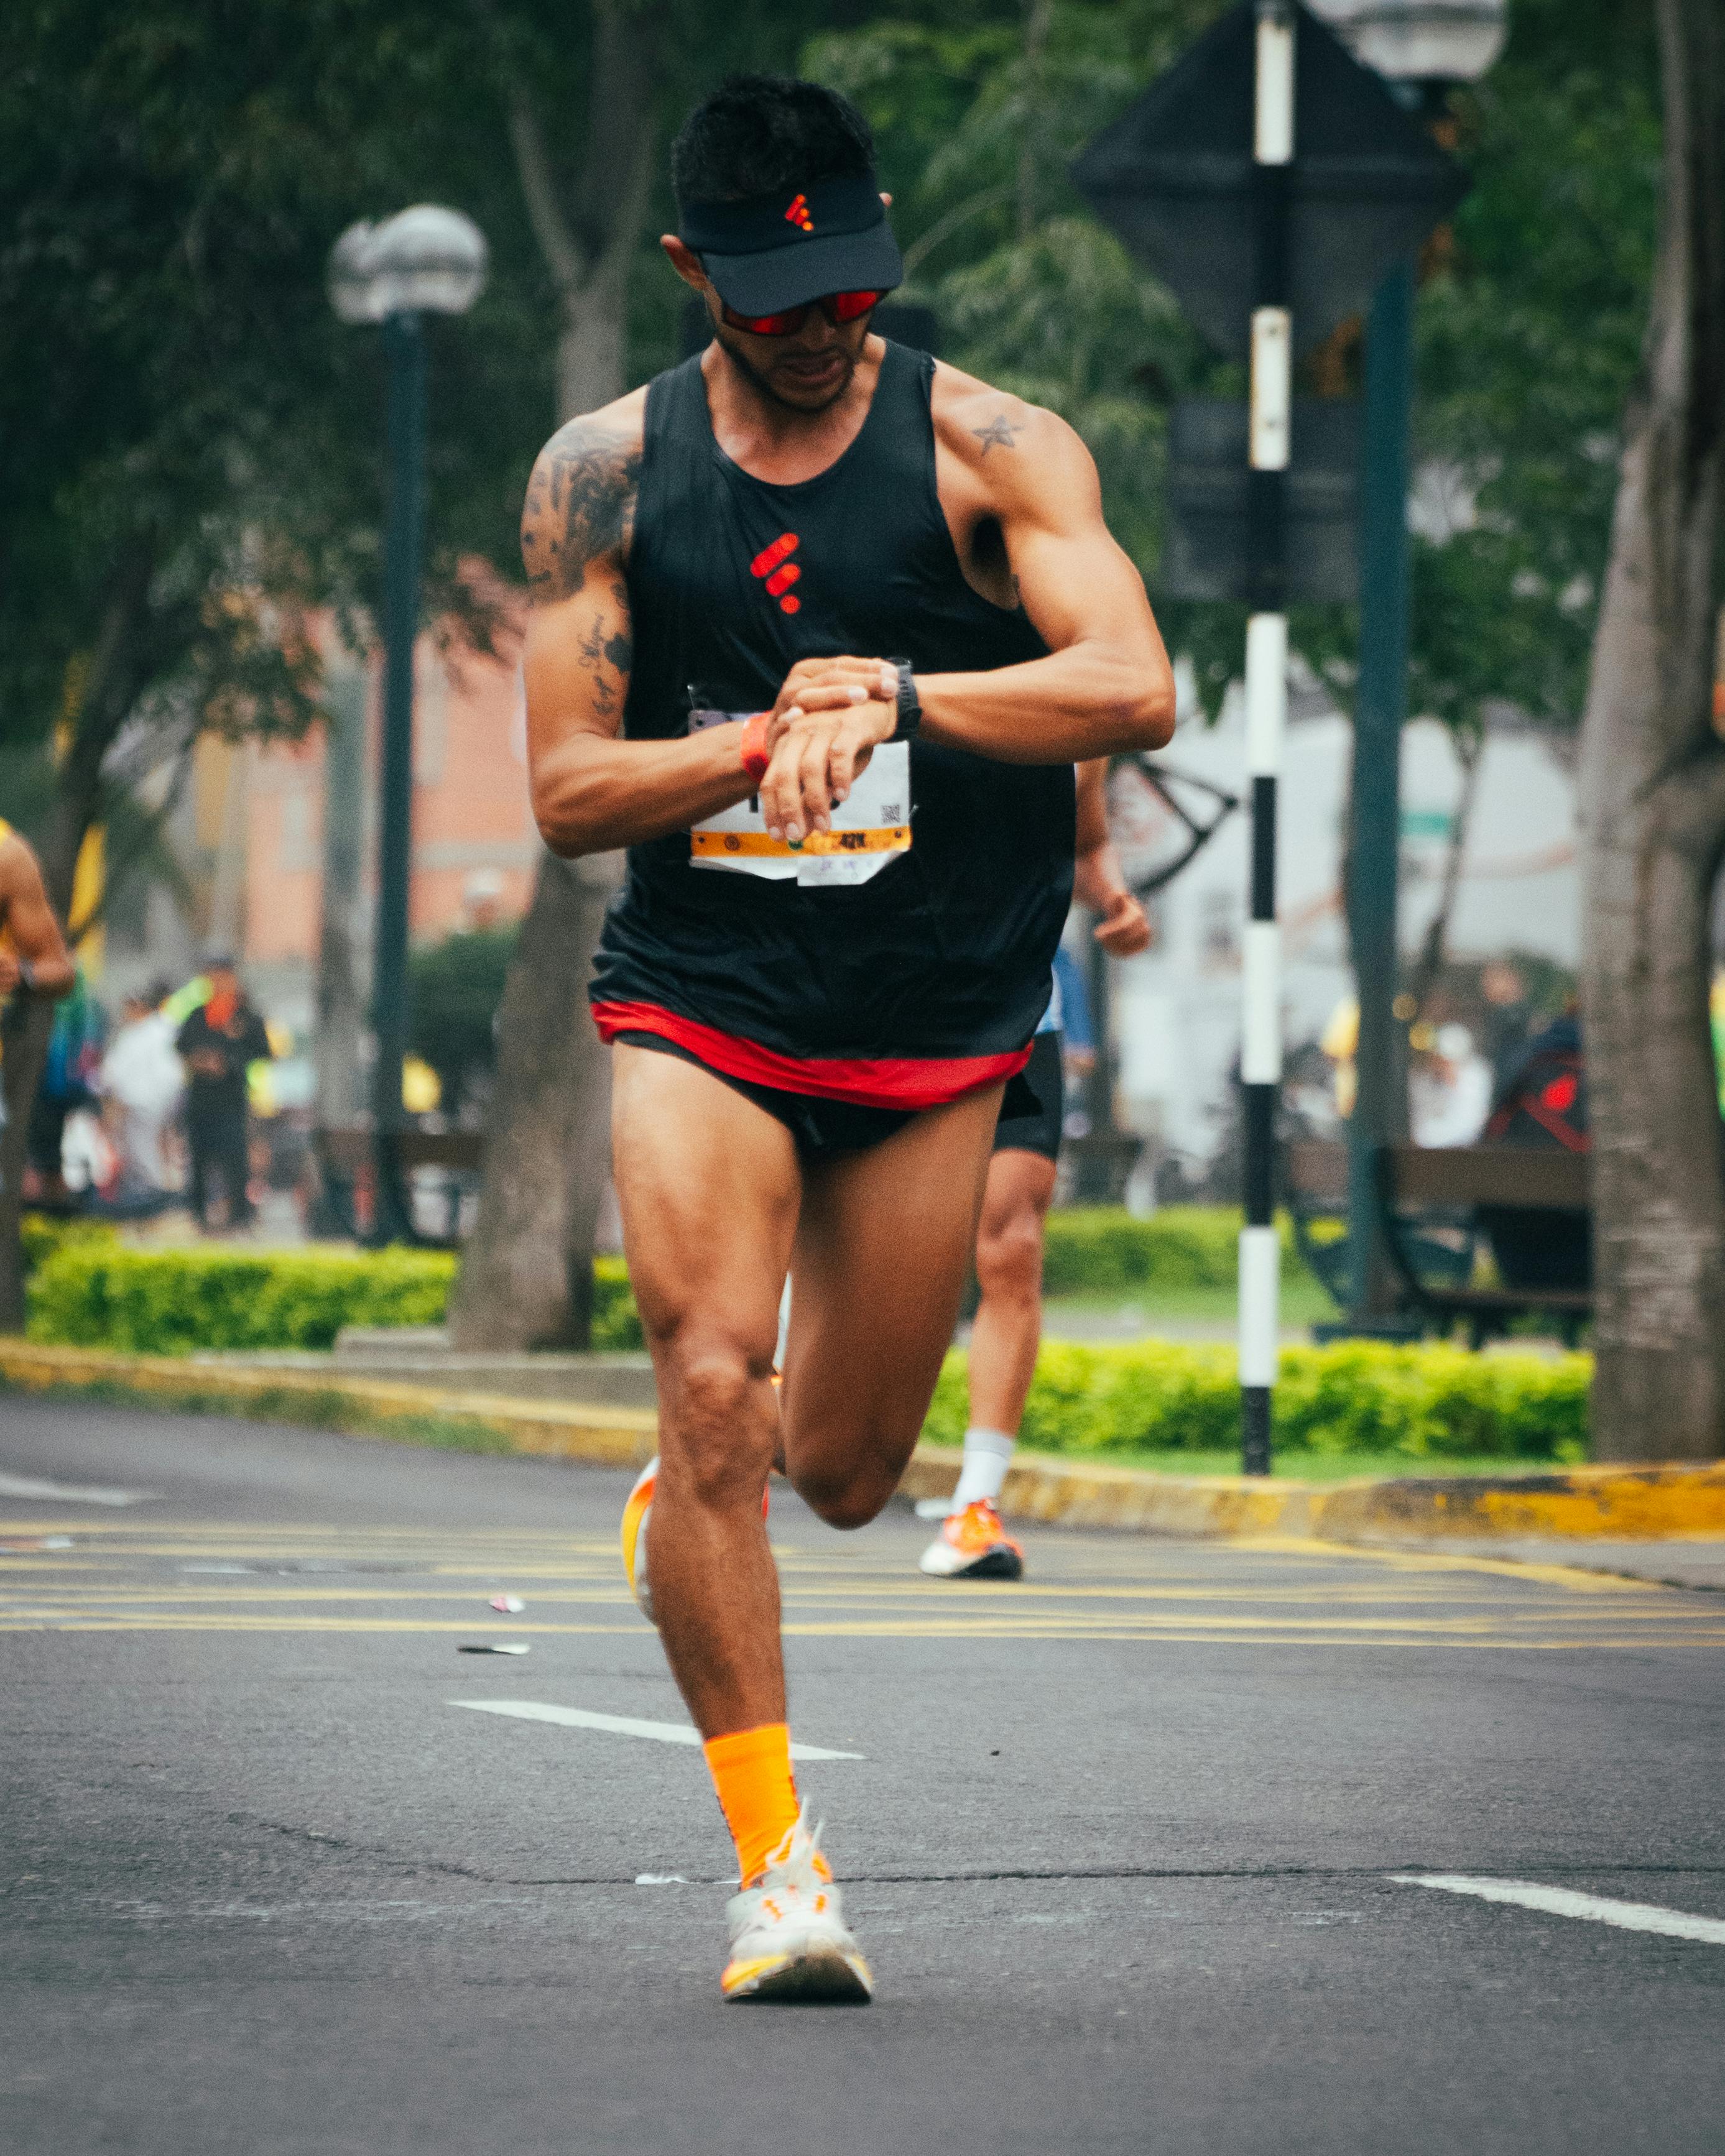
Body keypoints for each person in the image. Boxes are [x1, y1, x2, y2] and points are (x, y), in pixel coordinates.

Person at [519, 74, 1173, 2003]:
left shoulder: (989, 444)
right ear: (689, 273)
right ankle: (776, 1869)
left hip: (937, 1008)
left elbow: (1132, 681)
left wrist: (896, 697)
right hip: (707, 993)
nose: (825, 324)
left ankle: (701, 1488)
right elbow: (564, 792)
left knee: (849, 1469)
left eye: (852, 285)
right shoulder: (601, 476)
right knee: (710, 1377)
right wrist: (742, 745)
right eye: (778, 295)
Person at [918, 758, 1150, 1580]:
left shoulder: (1075, 721)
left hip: (1021, 1017)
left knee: (1010, 1245)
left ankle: (974, 1505)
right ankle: (750, 1446)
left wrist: (1115, 899)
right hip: (880, 1006)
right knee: (838, 1242)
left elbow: (1085, 841)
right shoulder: (886, 674)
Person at [173, 956, 271, 1231]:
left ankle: (239, 1215)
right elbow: (182, 1047)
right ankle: (199, 1214)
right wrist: (200, 1061)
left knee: (234, 1158)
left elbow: (262, 1051)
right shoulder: (198, 1015)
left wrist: (229, 1059)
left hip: (231, 1100)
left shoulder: (246, 1017)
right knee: (199, 1157)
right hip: (201, 1100)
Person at [1409, 1022, 1492, 1149]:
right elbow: (1419, 1117)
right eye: (1438, 1057)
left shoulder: (1476, 1075)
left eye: (1447, 1059)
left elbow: (1468, 1126)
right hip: (1424, 1151)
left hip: (1461, 1153)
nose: (1441, 1063)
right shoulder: (1422, 1075)